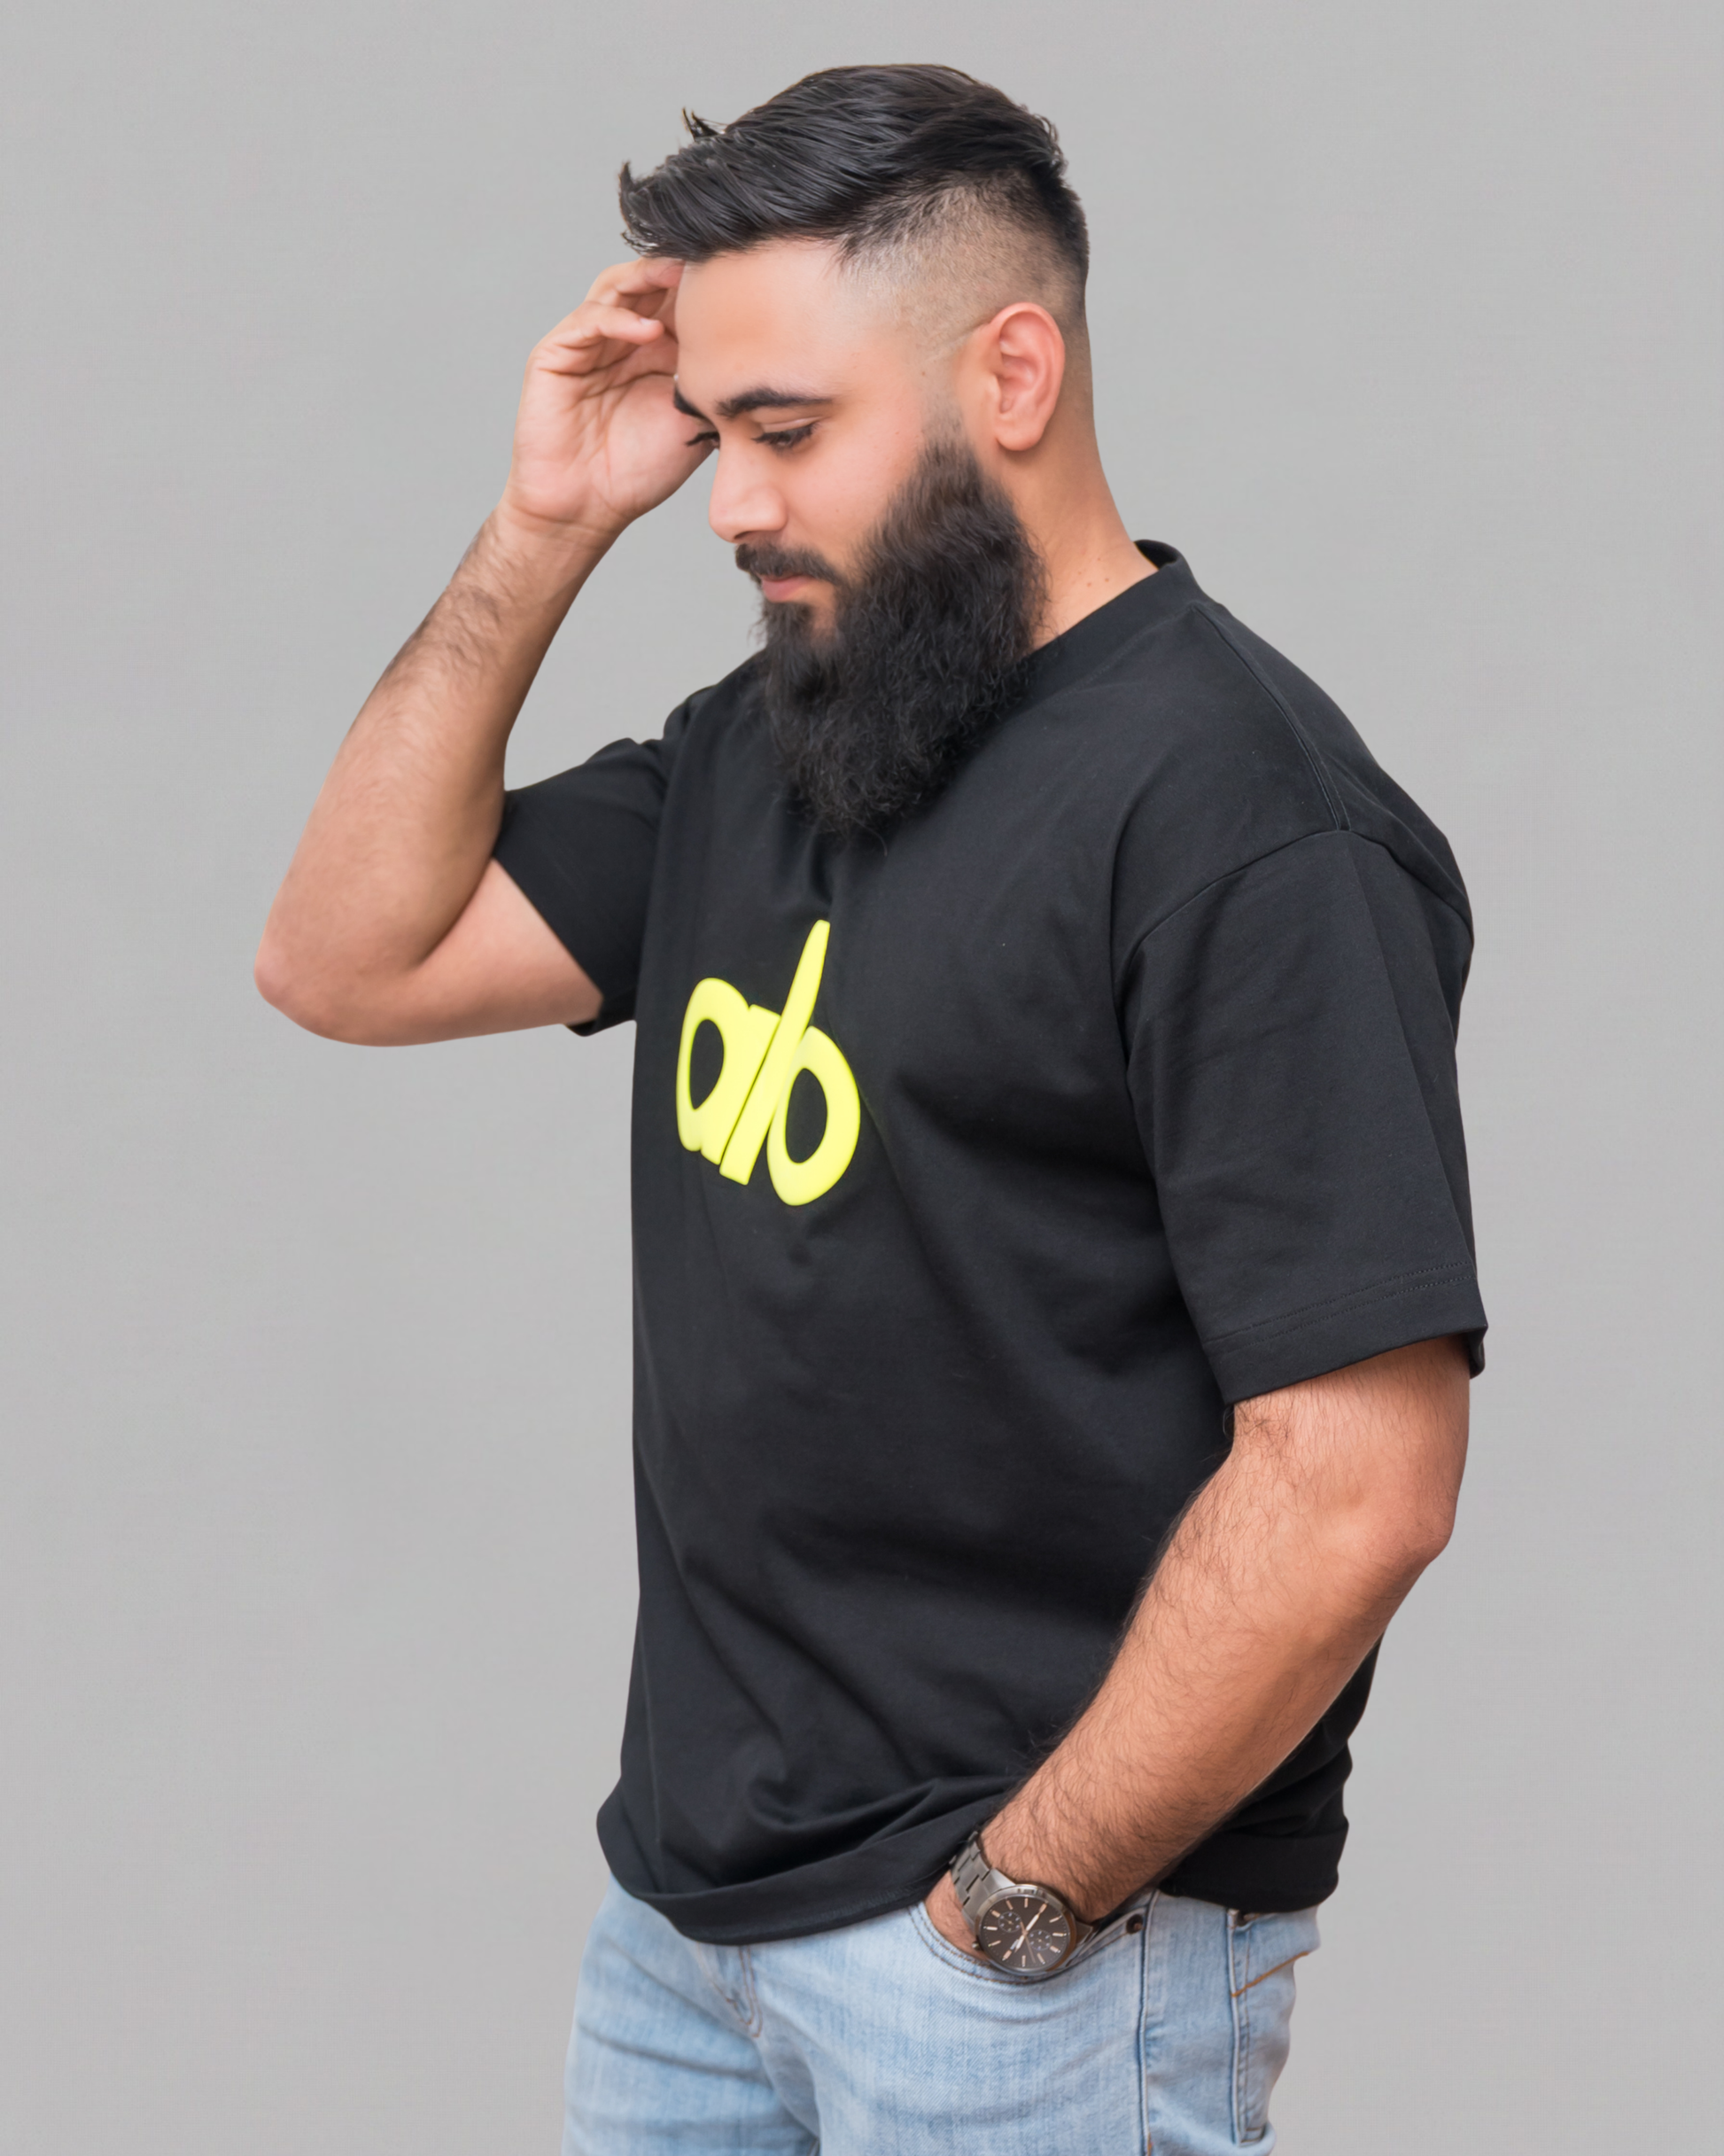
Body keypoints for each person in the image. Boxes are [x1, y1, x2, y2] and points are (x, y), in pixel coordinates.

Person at [257, 63, 1487, 2156]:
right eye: (711, 431)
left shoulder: (1245, 826)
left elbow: (1355, 1482)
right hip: (687, 1935)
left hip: (1021, 1963)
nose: (727, 504)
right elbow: (345, 956)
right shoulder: (775, 738)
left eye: (787, 430)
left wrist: (1012, 1910)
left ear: (1011, 373)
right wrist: (545, 522)